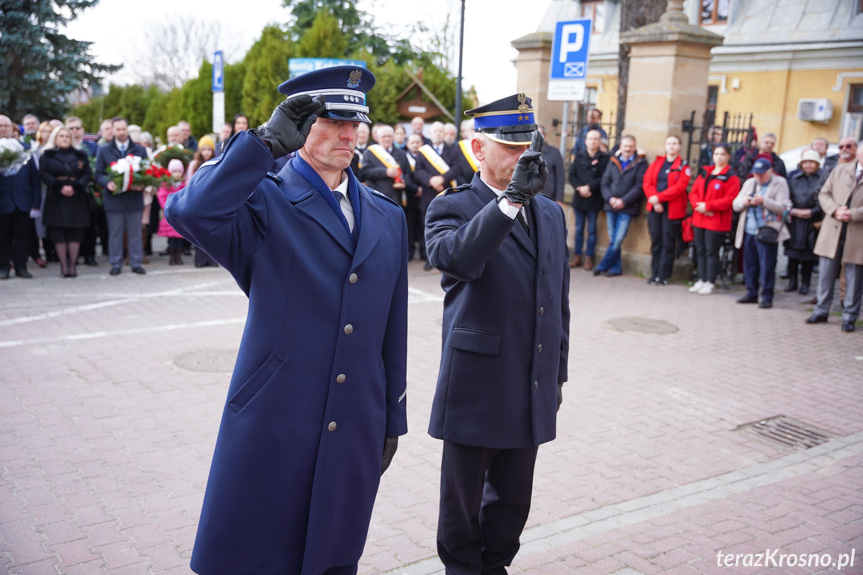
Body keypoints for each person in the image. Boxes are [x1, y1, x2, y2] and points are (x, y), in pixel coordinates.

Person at [165, 65, 408, 575]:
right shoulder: (262, 197)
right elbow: (189, 212)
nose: (349, 134)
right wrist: (260, 144)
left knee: (336, 552)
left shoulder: (387, 215)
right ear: (300, 127)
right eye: (332, 121)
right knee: (260, 553)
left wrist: (392, 417)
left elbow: (393, 327)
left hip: (355, 418)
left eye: (356, 123)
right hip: (278, 416)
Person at [425, 93, 569, 575]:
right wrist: (509, 202)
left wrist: (557, 374)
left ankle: (496, 566)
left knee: (513, 500)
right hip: (478, 380)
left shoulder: (550, 212)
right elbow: (457, 260)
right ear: (478, 149)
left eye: (527, 145)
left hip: (531, 378)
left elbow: (558, 301)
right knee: (461, 504)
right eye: (508, 147)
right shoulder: (454, 206)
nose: (522, 156)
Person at [806, 141, 863, 332]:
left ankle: (849, 316)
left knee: (854, 277)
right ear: (859, 154)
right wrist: (835, 210)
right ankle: (821, 310)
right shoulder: (840, 170)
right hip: (833, 228)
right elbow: (824, 194)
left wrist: (853, 214)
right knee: (825, 273)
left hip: (858, 232)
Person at [94, 117, 150, 276]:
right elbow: (98, 174)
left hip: (134, 197)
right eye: (118, 129)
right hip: (114, 199)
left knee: (135, 233)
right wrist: (108, 183)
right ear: (112, 131)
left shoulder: (139, 150)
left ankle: (135, 262)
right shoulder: (104, 150)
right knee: (115, 233)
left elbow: (147, 172)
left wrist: (142, 183)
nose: (121, 132)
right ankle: (116, 263)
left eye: (124, 129)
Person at [732, 158, 791, 308]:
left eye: (761, 174)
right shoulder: (750, 183)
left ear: (769, 171)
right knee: (750, 264)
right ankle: (751, 293)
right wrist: (744, 202)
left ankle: (766, 296)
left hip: (767, 231)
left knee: (767, 266)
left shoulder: (780, 183)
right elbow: (735, 204)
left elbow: (783, 207)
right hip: (749, 230)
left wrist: (764, 201)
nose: (758, 177)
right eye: (756, 174)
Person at [39, 126, 92, 278]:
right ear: (55, 138)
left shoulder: (80, 155)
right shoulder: (47, 156)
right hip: (56, 198)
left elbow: (88, 174)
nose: (64, 139)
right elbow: (44, 174)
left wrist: (76, 186)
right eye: (61, 136)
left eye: (67, 136)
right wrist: (59, 186)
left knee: (75, 233)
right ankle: (64, 265)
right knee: (59, 233)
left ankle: (73, 265)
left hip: (76, 198)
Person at [688, 143, 740, 295]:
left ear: (728, 156)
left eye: (723, 154)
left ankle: (710, 281)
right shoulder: (705, 173)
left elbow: (729, 199)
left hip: (716, 221)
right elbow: (694, 192)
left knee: (712, 251)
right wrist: (699, 206)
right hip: (699, 218)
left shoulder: (731, 177)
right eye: (716, 154)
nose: (719, 157)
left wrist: (709, 206)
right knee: (700, 249)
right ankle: (701, 279)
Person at [594, 134, 646, 277]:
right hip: (611, 206)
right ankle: (616, 269)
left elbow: (638, 186)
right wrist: (610, 198)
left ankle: (602, 265)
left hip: (627, 207)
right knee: (613, 239)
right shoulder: (612, 161)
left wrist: (623, 201)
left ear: (634, 147)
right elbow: (604, 182)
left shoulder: (640, 163)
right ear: (620, 147)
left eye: (630, 146)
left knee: (617, 240)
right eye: (625, 146)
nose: (627, 149)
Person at [643, 135, 691, 285]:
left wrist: (659, 198)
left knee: (668, 242)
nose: (671, 146)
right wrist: (654, 199)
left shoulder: (684, 167)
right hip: (655, 208)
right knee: (656, 241)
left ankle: (664, 275)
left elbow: (679, 188)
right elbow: (647, 182)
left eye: (674, 143)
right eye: (668, 143)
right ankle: (654, 273)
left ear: (679, 147)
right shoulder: (657, 163)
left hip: (672, 209)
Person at [414, 121, 461, 270]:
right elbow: (418, 171)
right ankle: (429, 258)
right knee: (426, 228)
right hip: (429, 194)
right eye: (436, 131)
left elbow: (456, 168)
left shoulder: (453, 150)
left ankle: (447, 258)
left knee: (448, 226)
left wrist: (442, 179)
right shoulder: (423, 151)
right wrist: (431, 180)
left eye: (441, 131)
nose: (439, 133)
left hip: (447, 193)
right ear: (430, 134)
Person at [0, 114, 41, 279]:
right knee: (2, 237)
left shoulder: (24, 148)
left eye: (6, 126)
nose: (3, 129)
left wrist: (35, 202)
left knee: (22, 237)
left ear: (12, 128)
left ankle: (21, 266)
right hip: (2, 202)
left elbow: (34, 178)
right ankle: (3, 267)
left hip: (22, 201)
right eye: (0, 126)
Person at [568, 128, 608, 270]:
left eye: (595, 139)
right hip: (579, 198)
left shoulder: (604, 158)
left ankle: (589, 258)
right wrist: (580, 188)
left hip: (594, 198)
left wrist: (589, 188)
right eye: (590, 139)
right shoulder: (579, 156)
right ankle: (577, 256)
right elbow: (571, 175)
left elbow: (603, 177)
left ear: (599, 141)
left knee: (591, 230)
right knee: (578, 229)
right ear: (585, 141)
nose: (593, 141)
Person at [784, 149, 823, 294]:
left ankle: (805, 283)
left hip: (812, 223)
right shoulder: (793, 179)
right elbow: (786, 198)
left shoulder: (822, 179)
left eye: (811, 162)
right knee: (792, 254)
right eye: (805, 162)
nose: (808, 165)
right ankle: (792, 282)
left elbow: (824, 199)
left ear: (817, 164)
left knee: (808, 256)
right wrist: (793, 210)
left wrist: (812, 212)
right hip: (794, 222)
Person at [362, 124, 415, 206]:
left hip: (396, 198)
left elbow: (408, 173)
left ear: (393, 137)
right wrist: (385, 172)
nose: (387, 139)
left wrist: (405, 183)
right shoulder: (369, 153)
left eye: (389, 136)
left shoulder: (401, 154)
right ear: (378, 138)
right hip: (376, 197)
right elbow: (365, 172)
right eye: (384, 136)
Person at [157, 159, 187, 265]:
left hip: (179, 215)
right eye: (174, 171)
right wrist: (168, 207)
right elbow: (162, 197)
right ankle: (172, 256)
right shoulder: (166, 184)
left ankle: (178, 256)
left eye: (179, 171)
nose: (177, 174)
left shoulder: (184, 185)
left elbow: (185, 198)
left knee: (179, 237)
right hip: (169, 215)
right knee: (171, 239)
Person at [537, 125, 565, 205]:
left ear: (544, 136)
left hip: (548, 197)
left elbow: (560, 177)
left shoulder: (554, 152)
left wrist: (559, 198)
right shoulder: (526, 151)